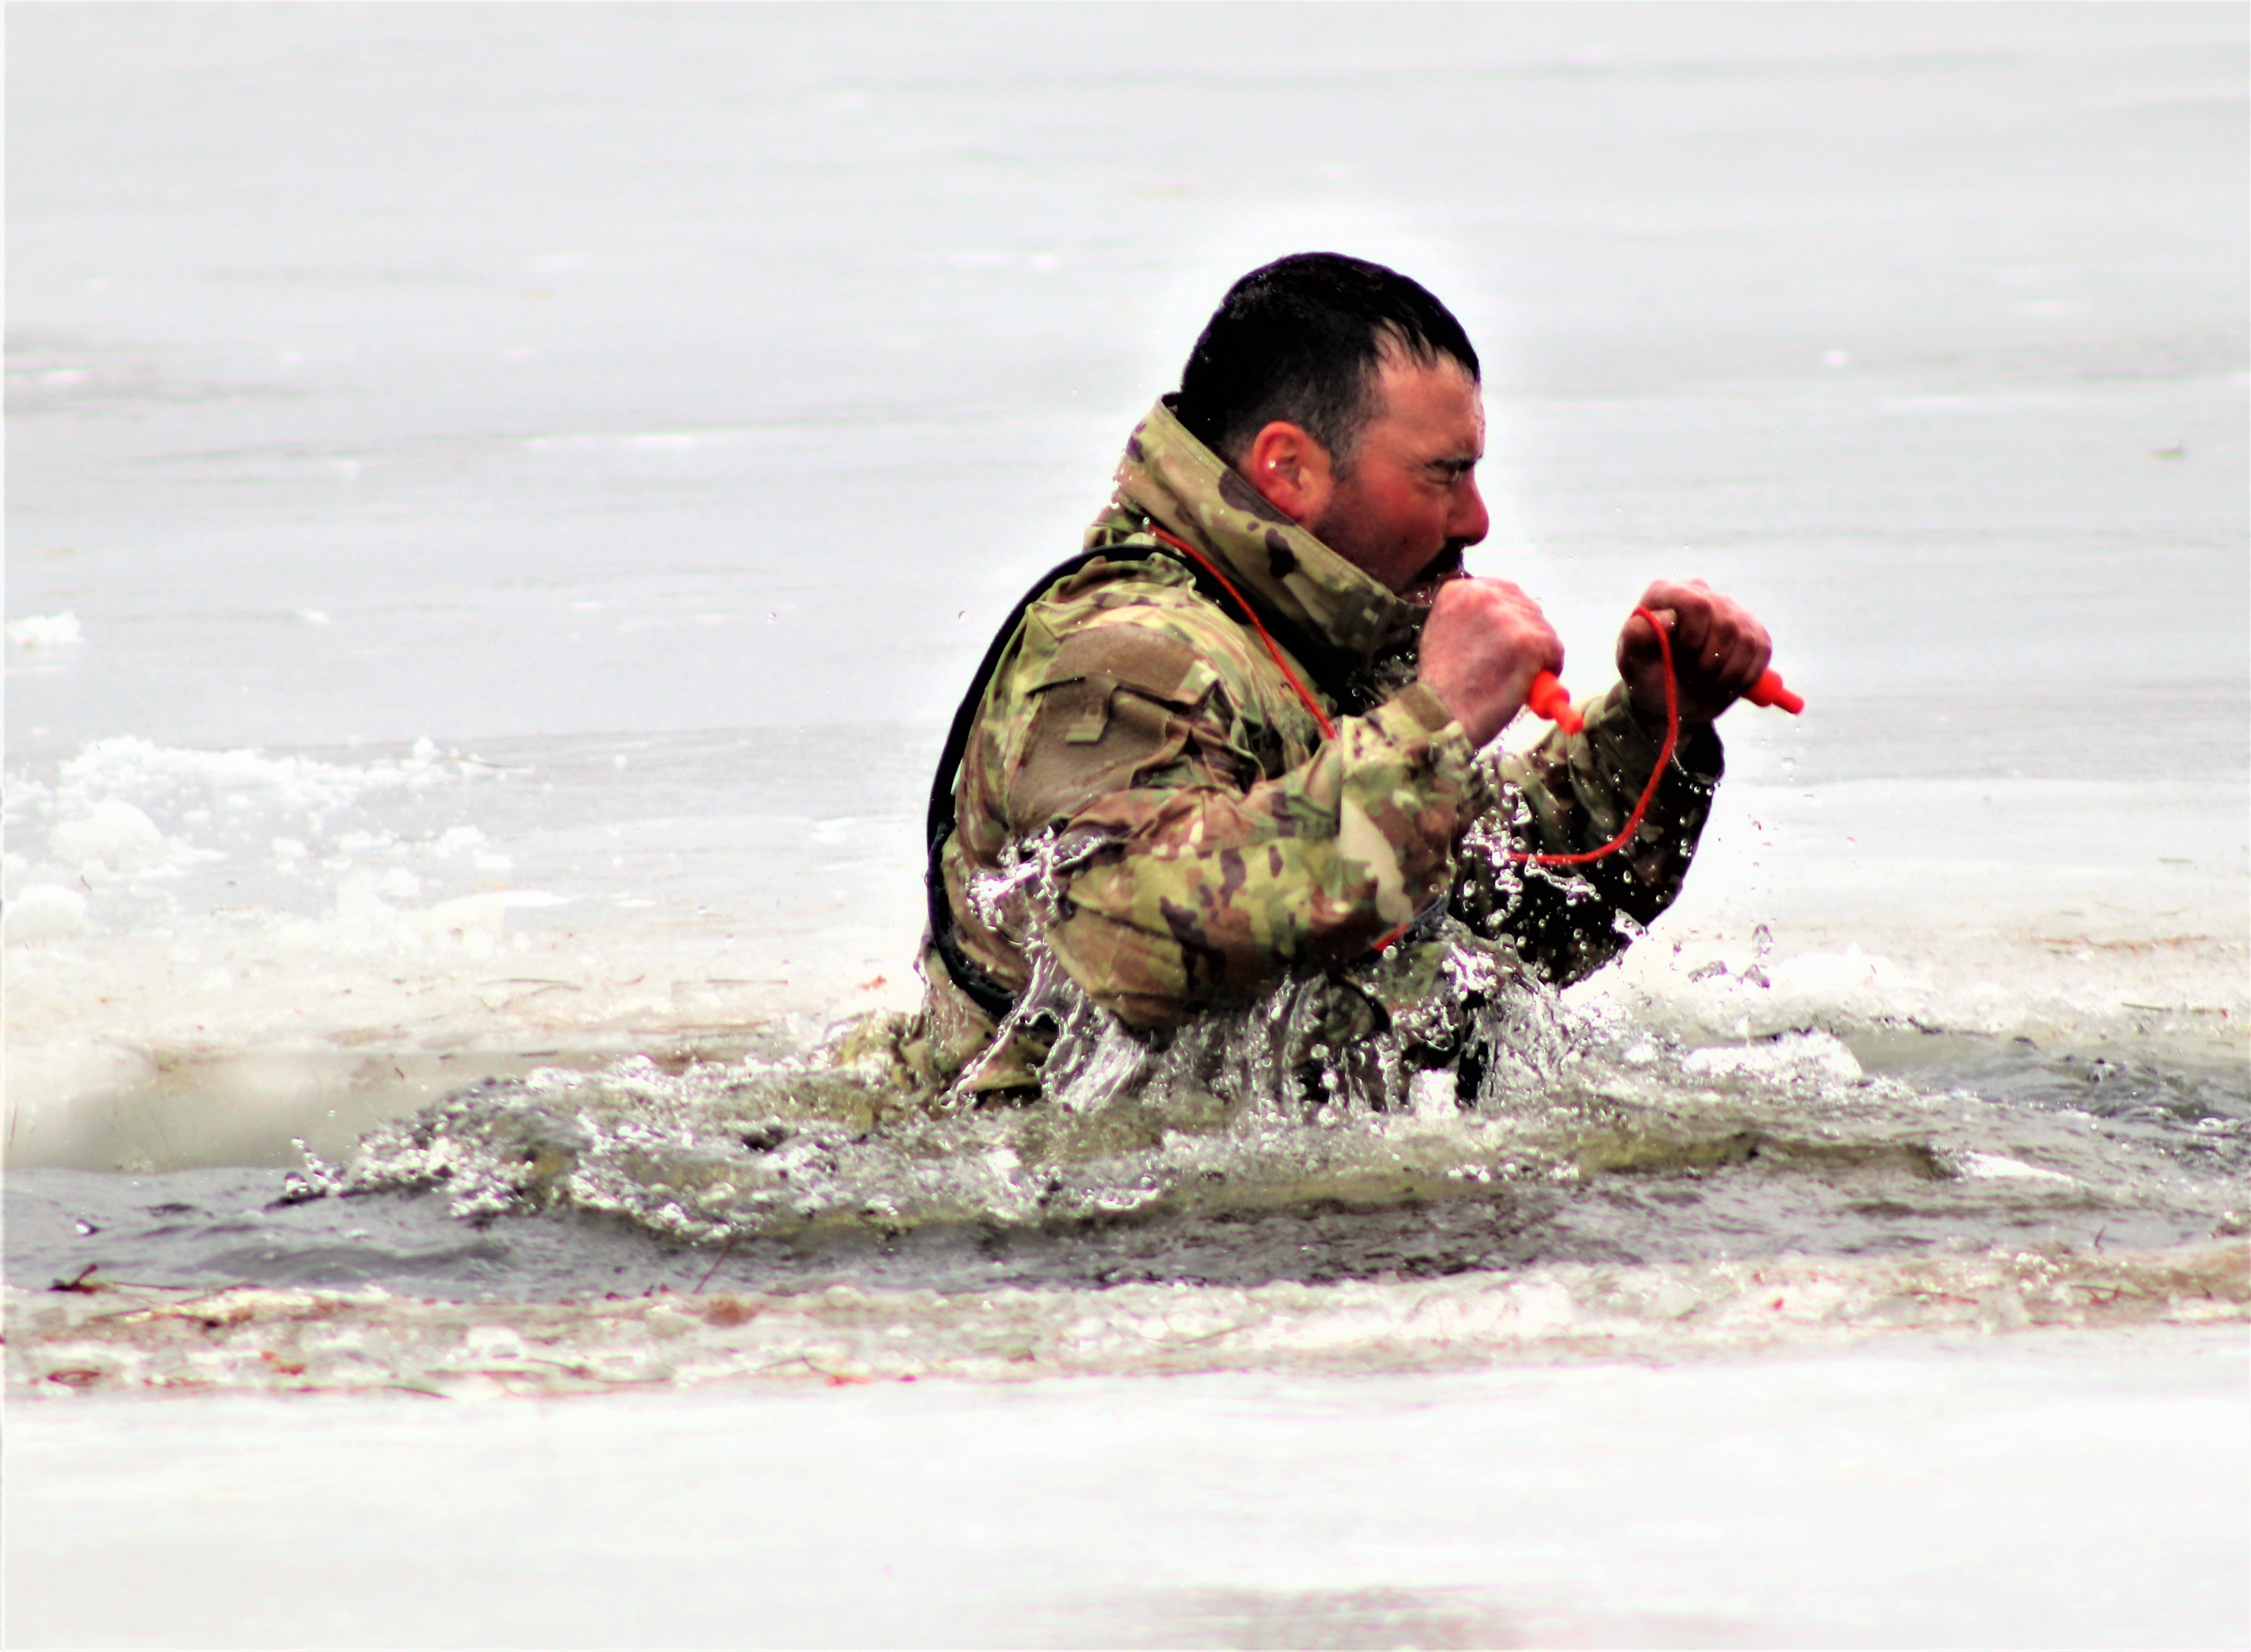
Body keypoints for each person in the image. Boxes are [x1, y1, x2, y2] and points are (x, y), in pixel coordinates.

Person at [909, 252, 1772, 1100]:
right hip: (1080, 1219)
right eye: (1445, 474)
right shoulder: (1129, 652)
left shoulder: (1314, 638)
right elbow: (1132, 941)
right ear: (1289, 469)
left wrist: (1655, 730)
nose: (1477, 517)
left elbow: (1504, 906)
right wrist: (1436, 722)